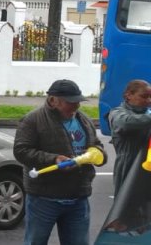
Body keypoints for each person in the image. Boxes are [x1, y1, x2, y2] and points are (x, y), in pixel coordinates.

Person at [14, 79, 106, 245]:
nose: (76, 106)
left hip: (78, 197)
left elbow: (97, 145)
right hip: (44, 198)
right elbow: (21, 151)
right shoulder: (32, 120)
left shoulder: (83, 120)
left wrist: (98, 153)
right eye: (70, 102)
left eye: (78, 102)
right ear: (52, 100)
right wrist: (53, 159)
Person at [108, 79, 151, 194]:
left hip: (148, 165)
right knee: (126, 206)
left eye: (150, 97)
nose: (148, 101)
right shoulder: (117, 113)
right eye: (144, 96)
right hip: (128, 166)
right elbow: (126, 123)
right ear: (128, 95)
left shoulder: (148, 113)